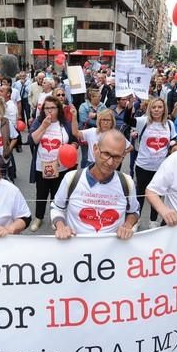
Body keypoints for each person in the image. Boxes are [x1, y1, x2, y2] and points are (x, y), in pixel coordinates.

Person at [51, 129, 139, 239]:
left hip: (112, 251)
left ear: (123, 156)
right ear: (95, 149)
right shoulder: (72, 178)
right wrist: (61, 227)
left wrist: (128, 225)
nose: (110, 162)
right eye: (106, 154)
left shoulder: (126, 182)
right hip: (75, 249)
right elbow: (57, 207)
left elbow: (134, 211)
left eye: (116, 157)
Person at [28, 95, 77, 232]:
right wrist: (43, 126)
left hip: (61, 168)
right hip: (41, 166)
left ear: (58, 109)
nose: (49, 111)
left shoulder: (65, 123)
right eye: (46, 108)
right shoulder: (39, 122)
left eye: (52, 108)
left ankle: (54, 218)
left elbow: (74, 139)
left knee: (57, 194)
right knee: (41, 194)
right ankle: (38, 217)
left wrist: (72, 147)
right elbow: (32, 141)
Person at [131, 98, 177, 228]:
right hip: (143, 165)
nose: (157, 110)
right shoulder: (143, 121)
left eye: (160, 107)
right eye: (154, 107)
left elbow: (173, 139)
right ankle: (137, 219)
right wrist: (130, 104)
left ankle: (153, 221)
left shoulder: (169, 124)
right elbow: (128, 120)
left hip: (161, 167)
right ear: (150, 109)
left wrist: (174, 145)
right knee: (140, 194)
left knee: (157, 195)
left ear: (164, 109)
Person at [77, 88, 109, 167]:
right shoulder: (83, 106)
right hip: (86, 134)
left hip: (99, 134)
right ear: (92, 97)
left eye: (100, 96)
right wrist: (99, 120)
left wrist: (95, 115)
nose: (100, 97)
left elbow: (107, 116)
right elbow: (83, 119)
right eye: (98, 96)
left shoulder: (103, 105)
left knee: (98, 155)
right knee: (85, 157)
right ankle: (83, 172)